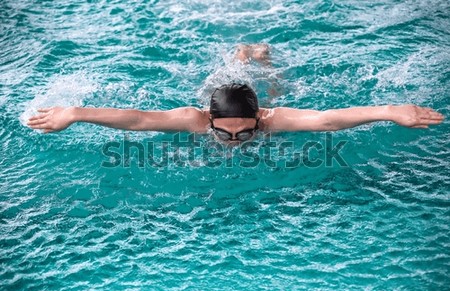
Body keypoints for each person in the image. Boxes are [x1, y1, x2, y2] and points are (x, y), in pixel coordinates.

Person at [27, 44, 445, 146]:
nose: (231, 142)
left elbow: (327, 119)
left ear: (258, 119)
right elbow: (136, 118)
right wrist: (75, 112)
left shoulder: (271, 118)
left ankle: (255, 60)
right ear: (208, 120)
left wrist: (391, 110)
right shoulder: (194, 119)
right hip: (214, 99)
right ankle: (240, 57)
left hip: (263, 101)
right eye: (223, 133)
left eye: (243, 134)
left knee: (284, 88)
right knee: (214, 84)